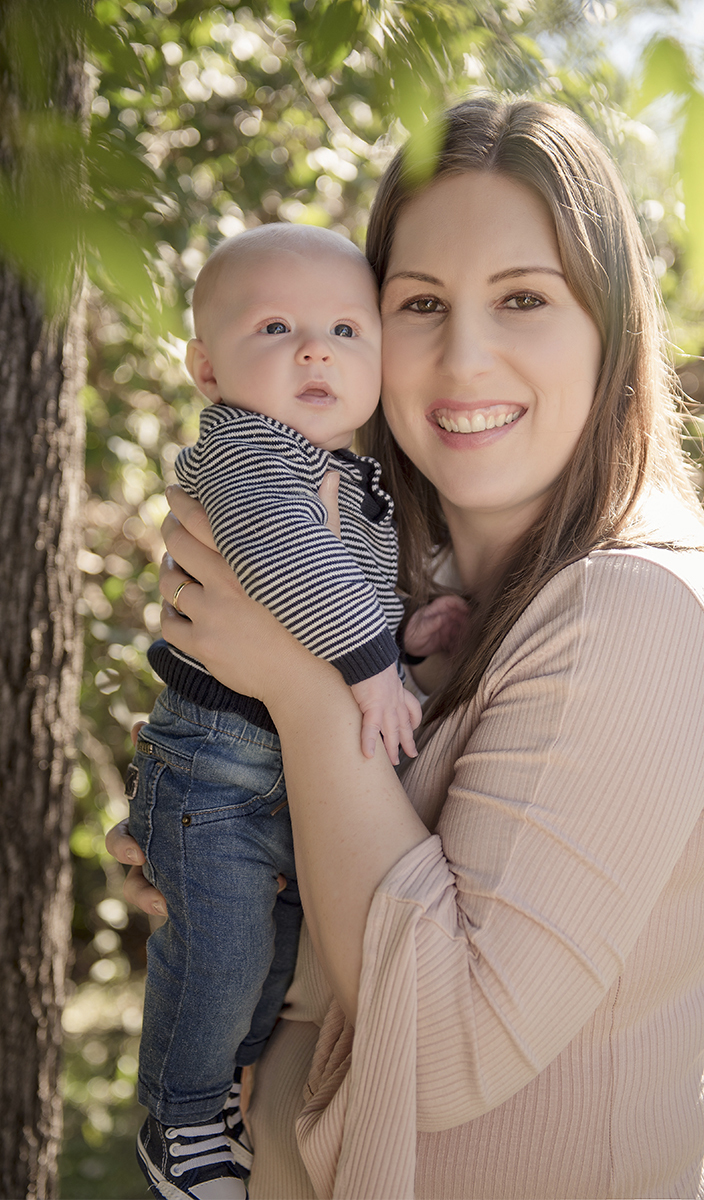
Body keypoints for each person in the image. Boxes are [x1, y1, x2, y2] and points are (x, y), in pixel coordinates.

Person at [109, 96, 704, 1200]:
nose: (464, 356)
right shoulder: (406, 589)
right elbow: (351, 911)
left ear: (610, 325)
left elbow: (441, 1053)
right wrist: (209, 861)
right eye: (419, 303)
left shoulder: (633, 616)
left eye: (522, 298)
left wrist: (297, 686)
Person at [127, 223, 467, 1200]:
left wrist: (399, 637)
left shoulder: (344, 476)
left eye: (343, 331)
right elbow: (283, 560)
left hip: (268, 779)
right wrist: (371, 668)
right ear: (205, 366)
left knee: (263, 968)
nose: (314, 349)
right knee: (223, 957)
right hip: (219, 766)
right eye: (275, 327)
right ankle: (181, 1118)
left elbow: (329, 594)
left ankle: (214, 1097)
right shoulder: (244, 458)